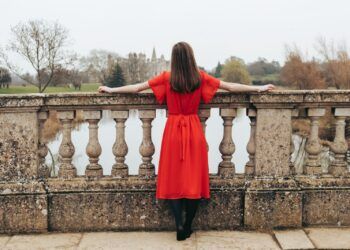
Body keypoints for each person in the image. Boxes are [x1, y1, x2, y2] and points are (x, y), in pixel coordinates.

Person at [98, 41, 276, 241]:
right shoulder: (199, 77)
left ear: (174, 59)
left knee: (173, 177)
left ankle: (179, 224)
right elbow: (231, 87)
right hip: (193, 129)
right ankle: (188, 225)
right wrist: (259, 87)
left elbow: (137, 88)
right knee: (193, 178)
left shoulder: (167, 78)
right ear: (191, 57)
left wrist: (112, 90)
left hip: (173, 130)